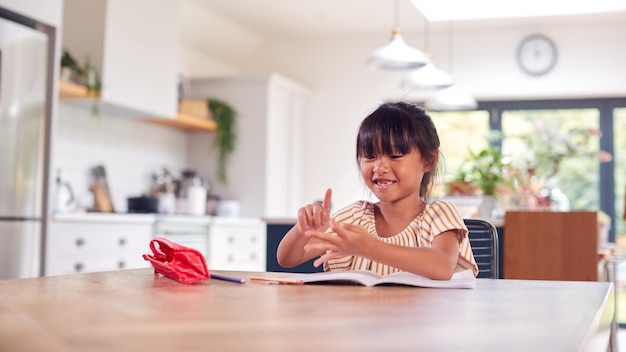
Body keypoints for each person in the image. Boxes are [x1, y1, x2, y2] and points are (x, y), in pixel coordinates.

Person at [276, 102, 478, 280]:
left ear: (428, 161)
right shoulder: (355, 216)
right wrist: (303, 230)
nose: (379, 168)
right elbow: (287, 259)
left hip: (422, 322)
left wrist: (369, 248)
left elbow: (442, 266)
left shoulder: (439, 214)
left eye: (395, 155)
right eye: (370, 156)